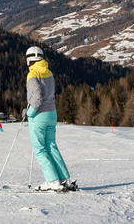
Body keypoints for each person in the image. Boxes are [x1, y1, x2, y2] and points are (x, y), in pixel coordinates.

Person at [23, 46, 76, 191]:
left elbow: (37, 99)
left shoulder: (33, 74)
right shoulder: (48, 72)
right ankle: (65, 178)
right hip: (52, 113)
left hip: (39, 116)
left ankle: (53, 181)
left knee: (40, 149)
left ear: (30, 60)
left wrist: (29, 113)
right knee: (51, 146)